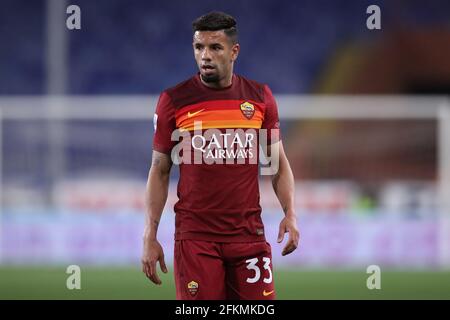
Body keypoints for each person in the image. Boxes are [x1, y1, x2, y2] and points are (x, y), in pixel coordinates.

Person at [141, 11, 299, 300]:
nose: (205, 56)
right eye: (199, 47)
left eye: (215, 47)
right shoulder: (174, 101)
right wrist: (149, 235)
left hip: (249, 237)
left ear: (234, 51)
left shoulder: (260, 98)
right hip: (196, 240)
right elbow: (159, 170)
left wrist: (290, 213)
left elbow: (277, 165)